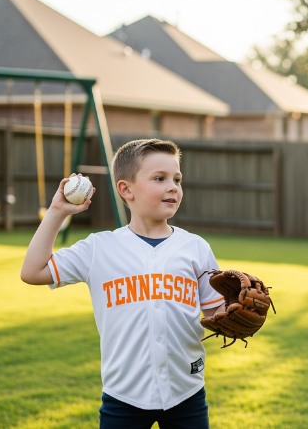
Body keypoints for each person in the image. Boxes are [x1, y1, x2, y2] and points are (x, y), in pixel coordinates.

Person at [21, 138, 225, 428]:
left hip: (186, 391)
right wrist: (58, 212)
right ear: (125, 189)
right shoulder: (98, 248)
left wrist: (235, 314)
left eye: (177, 179)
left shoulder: (195, 248)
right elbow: (32, 271)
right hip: (124, 396)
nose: (173, 187)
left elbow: (215, 314)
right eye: (159, 178)